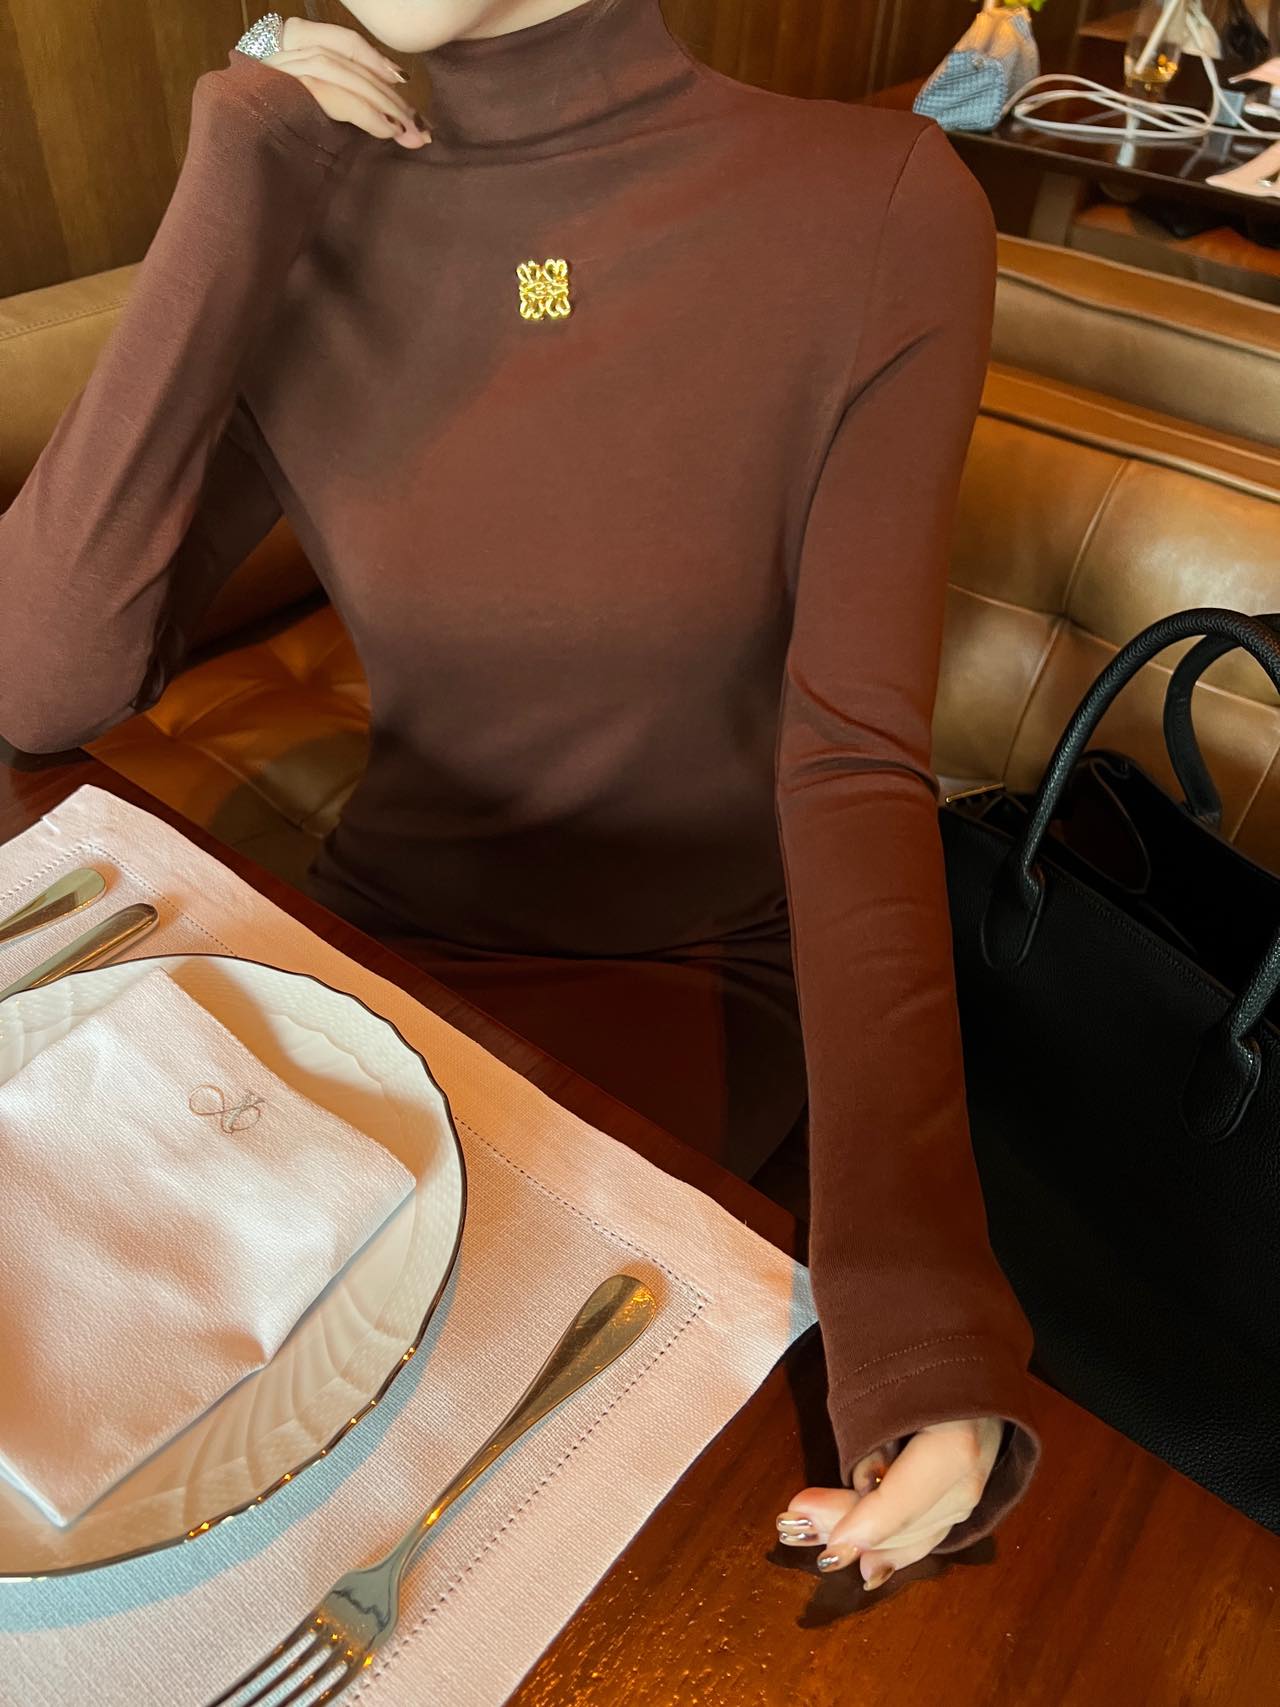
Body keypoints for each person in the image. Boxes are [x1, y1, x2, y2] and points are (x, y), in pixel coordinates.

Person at [0, 0, 1043, 1591]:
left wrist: (918, 1314)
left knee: (394, 1510)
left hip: (681, 981)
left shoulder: (877, 207)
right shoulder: (301, 195)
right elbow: (39, 684)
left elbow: (851, 764)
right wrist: (233, 179)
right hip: (361, 962)